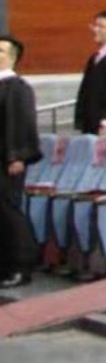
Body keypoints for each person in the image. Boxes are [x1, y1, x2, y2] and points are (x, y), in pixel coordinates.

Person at [0, 36, 42, 289]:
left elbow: (21, 124)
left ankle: (21, 264)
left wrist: (18, 156)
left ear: (12, 57)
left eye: (1, 50)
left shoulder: (17, 87)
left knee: (9, 211)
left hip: (7, 160)